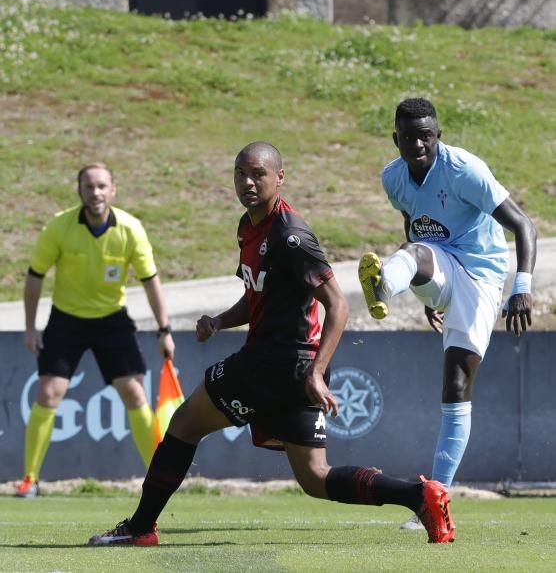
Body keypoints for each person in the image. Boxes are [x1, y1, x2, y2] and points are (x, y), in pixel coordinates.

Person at [88, 141, 454, 547]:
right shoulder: (249, 225)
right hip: (290, 367)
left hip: (275, 362)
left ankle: (140, 528)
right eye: (240, 173)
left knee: (183, 425)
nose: (247, 182)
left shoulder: (290, 235)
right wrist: (221, 320)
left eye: (258, 174)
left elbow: (338, 306)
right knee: (316, 477)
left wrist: (316, 372)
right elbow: (257, 294)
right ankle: (420, 495)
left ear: (280, 177)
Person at [358, 98, 537, 530]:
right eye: (409, 136)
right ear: (395, 138)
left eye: (427, 135)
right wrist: (424, 289)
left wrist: (523, 287)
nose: (418, 143)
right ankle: (385, 284)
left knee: (456, 384)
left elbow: (523, 224)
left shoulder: (464, 170)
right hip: (438, 261)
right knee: (413, 252)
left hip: (481, 276)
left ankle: (433, 501)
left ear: (438, 135)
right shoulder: (393, 177)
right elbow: (413, 223)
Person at [15, 163, 175, 498]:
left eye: (102, 186)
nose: (96, 193)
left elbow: (151, 282)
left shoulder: (130, 229)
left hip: (111, 320)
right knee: (48, 393)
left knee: (135, 393)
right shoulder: (59, 226)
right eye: (89, 187)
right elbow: (34, 277)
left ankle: (159, 478)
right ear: (79, 192)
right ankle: (30, 479)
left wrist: (165, 329)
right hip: (66, 319)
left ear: (113, 190)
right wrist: (31, 328)